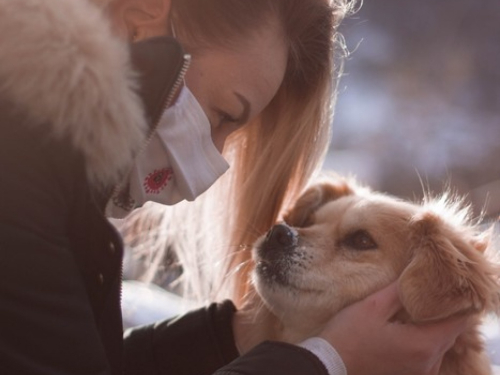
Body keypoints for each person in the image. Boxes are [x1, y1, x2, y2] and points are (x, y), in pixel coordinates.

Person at [0, 0, 467, 375]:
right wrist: (323, 361)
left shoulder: (44, 174)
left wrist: (241, 336)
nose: (215, 160)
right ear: (140, 19)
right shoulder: (19, 180)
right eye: (225, 114)